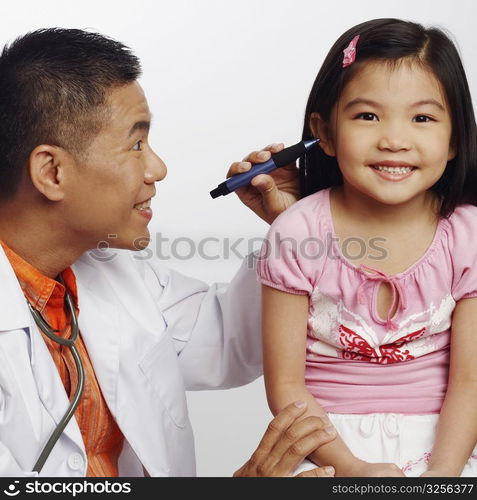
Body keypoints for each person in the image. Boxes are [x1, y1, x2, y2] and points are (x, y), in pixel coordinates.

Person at [0, 28, 337, 477]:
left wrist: (292, 230)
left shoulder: (116, 273)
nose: (158, 168)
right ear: (52, 171)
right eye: (136, 144)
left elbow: (228, 341)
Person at [256, 18, 477, 477]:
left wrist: (443, 475)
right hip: (327, 449)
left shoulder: (468, 234)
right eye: (367, 116)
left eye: (422, 118)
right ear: (326, 133)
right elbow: (286, 385)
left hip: (447, 447)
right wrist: (351, 467)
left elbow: (470, 382)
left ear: (455, 138)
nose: (394, 140)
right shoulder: (296, 231)